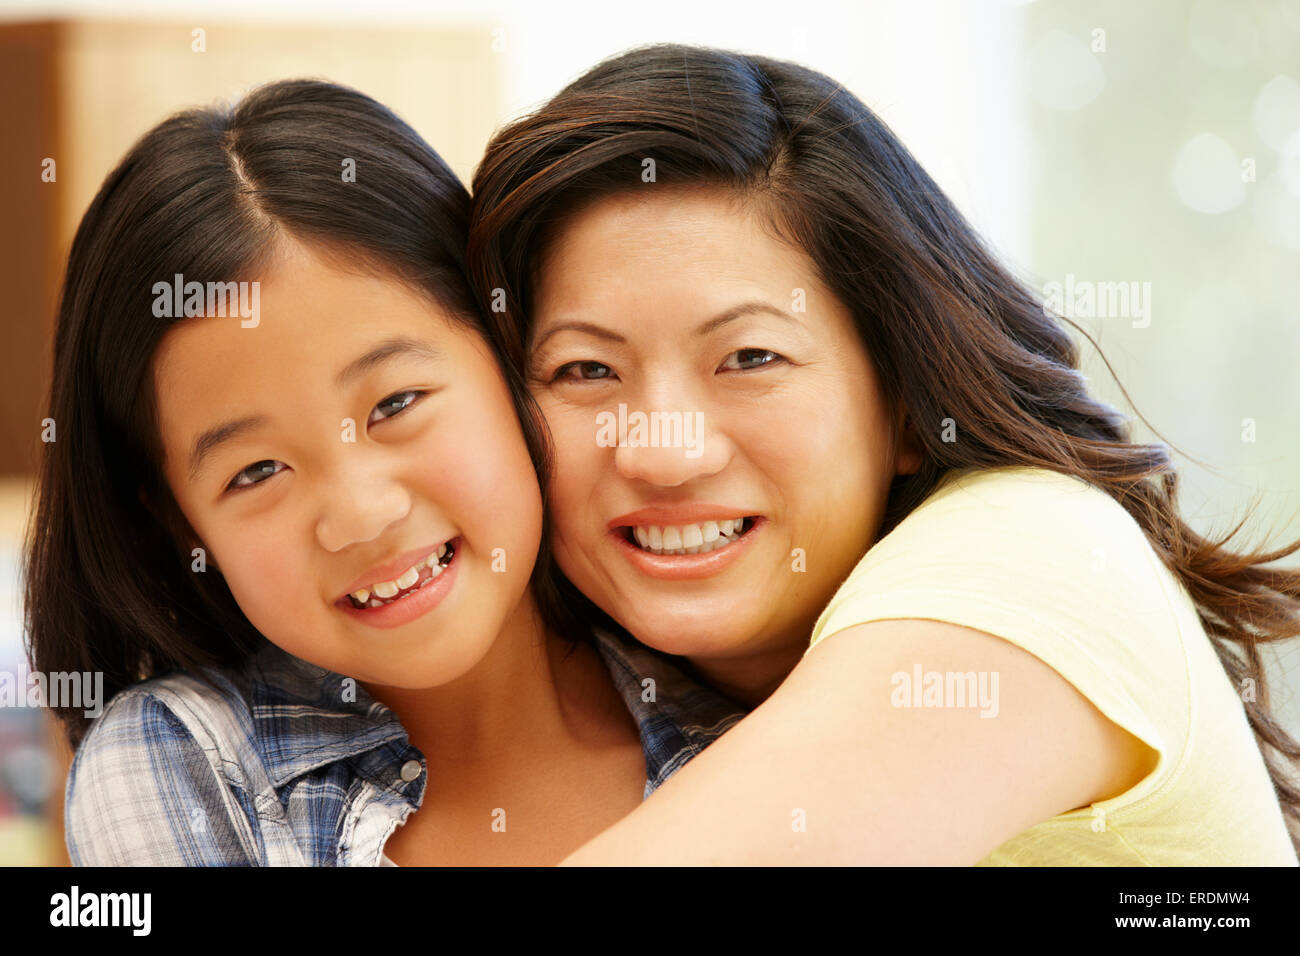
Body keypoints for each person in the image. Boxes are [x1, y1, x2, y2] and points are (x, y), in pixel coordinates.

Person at [467, 43, 1300, 864]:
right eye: (585, 370)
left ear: (905, 398)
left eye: (750, 359)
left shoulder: (1029, 550)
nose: (664, 454)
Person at [24, 78, 744, 866]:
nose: (361, 514)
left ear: (508, 352)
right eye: (257, 470)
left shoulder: (753, 723)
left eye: (395, 402)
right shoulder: (182, 764)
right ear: (177, 520)